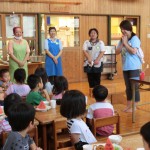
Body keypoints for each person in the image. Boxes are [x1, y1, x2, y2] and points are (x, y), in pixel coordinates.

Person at [116, 20, 142, 112]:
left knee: (134, 87)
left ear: (129, 29)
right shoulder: (122, 39)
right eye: (122, 29)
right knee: (128, 87)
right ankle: (128, 105)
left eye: (125, 29)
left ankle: (134, 107)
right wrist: (123, 42)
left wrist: (126, 43)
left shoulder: (135, 39)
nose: (123, 31)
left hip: (134, 67)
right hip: (125, 67)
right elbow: (117, 52)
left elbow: (133, 51)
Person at [83, 28, 105, 96]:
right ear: (89, 34)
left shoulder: (100, 42)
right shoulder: (86, 42)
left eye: (94, 33)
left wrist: (97, 60)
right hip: (89, 63)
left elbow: (102, 51)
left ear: (97, 34)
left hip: (97, 63)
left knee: (97, 78)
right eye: (91, 33)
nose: (93, 34)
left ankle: (97, 93)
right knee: (90, 78)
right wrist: (89, 58)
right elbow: (84, 51)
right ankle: (92, 93)